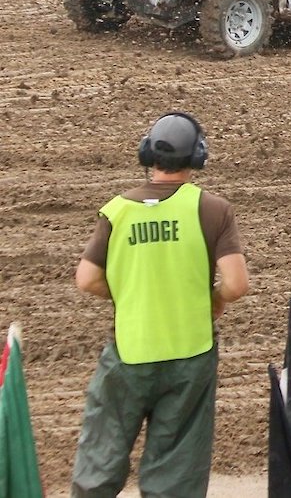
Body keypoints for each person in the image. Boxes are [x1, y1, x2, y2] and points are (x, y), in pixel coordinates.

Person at [71, 112, 249, 498]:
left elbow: (87, 279)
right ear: (198, 157)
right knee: (176, 474)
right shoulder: (213, 209)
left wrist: (131, 293)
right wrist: (214, 301)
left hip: (130, 351)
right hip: (191, 354)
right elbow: (236, 284)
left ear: (147, 153)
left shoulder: (117, 210)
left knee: (100, 458)